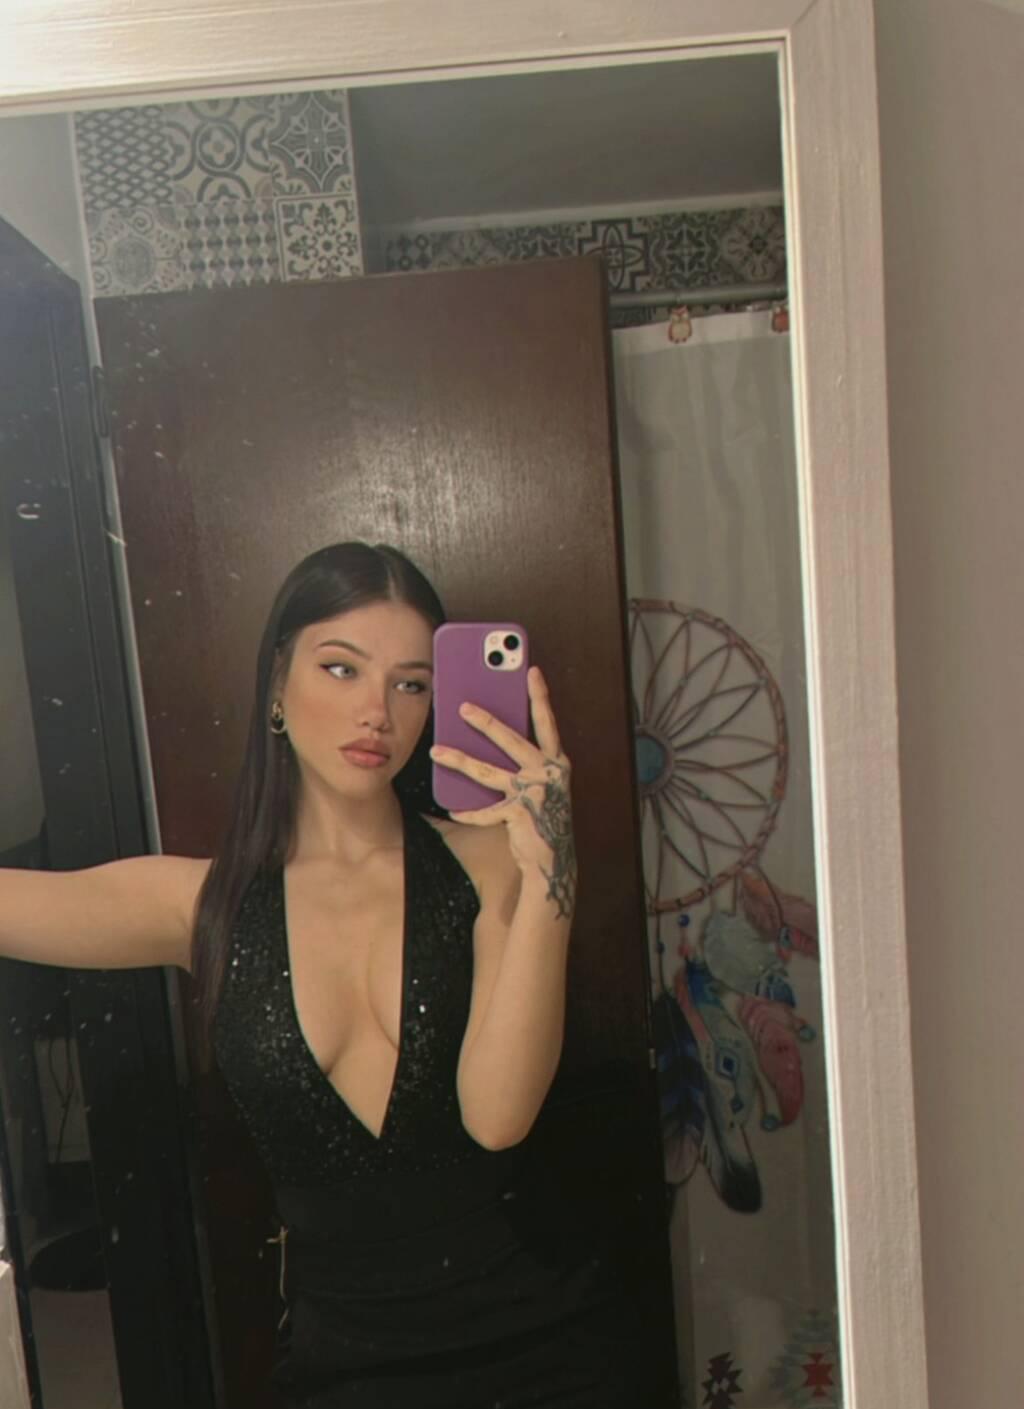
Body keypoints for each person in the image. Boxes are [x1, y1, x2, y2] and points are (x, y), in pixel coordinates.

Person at [0, 542, 656, 1408]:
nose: (376, 711)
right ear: (278, 680)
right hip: (339, 1367)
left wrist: (550, 879)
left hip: (541, 1349)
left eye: (411, 683)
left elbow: (499, 1116)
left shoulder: (495, 859)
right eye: (341, 668)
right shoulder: (204, 902)